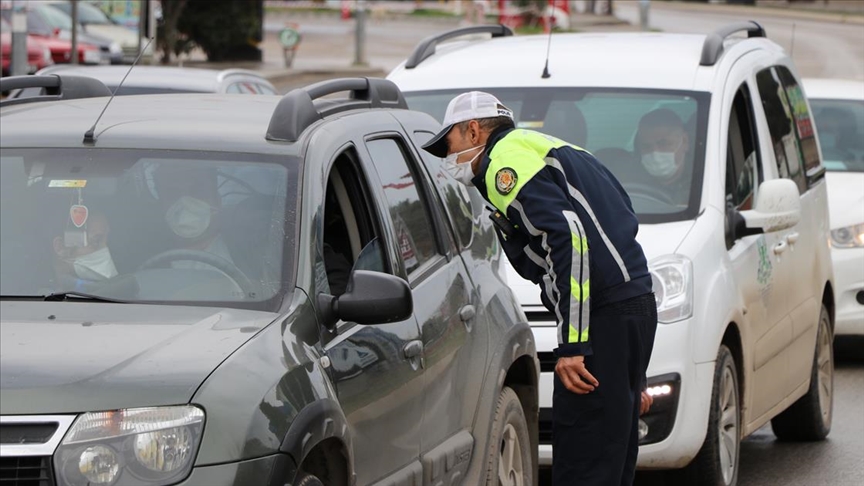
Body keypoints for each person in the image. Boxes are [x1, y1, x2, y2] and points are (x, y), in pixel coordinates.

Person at [421, 91, 657, 486]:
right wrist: (634, 370)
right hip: (632, 309)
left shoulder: (503, 163)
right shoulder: (548, 148)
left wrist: (574, 345)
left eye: (450, 144)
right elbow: (617, 224)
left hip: (603, 319)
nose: (448, 158)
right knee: (611, 465)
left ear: (473, 129)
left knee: (583, 464)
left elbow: (569, 238)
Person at [151, 164, 234, 270]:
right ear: (161, 206)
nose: (185, 202)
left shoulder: (247, 252)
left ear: (217, 200)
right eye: (173, 193)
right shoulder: (142, 261)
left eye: (197, 191)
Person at [633, 108, 693, 205]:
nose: (655, 152)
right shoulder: (629, 182)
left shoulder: (703, 183)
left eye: (663, 143)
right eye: (646, 146)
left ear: (685, 142)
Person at [51, 209, 118, 290]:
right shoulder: (39, 298)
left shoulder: (120, 292)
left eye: (105, 241)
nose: (105, 249)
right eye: (96, 241)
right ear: (59, 246)